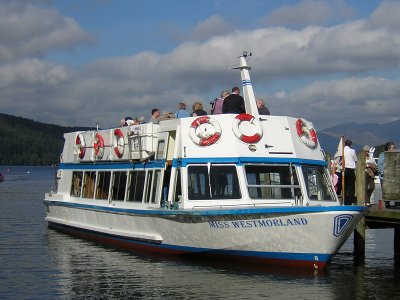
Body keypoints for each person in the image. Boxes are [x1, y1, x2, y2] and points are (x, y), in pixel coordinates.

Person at [344, 139, 357, 205]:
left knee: (345, 186)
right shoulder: (352, 151)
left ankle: (345, 200)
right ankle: (350, 201)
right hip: (351, 169)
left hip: (344, 169)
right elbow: (355, 159)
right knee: (351, 186)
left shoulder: (342, 151)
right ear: (350, 145)